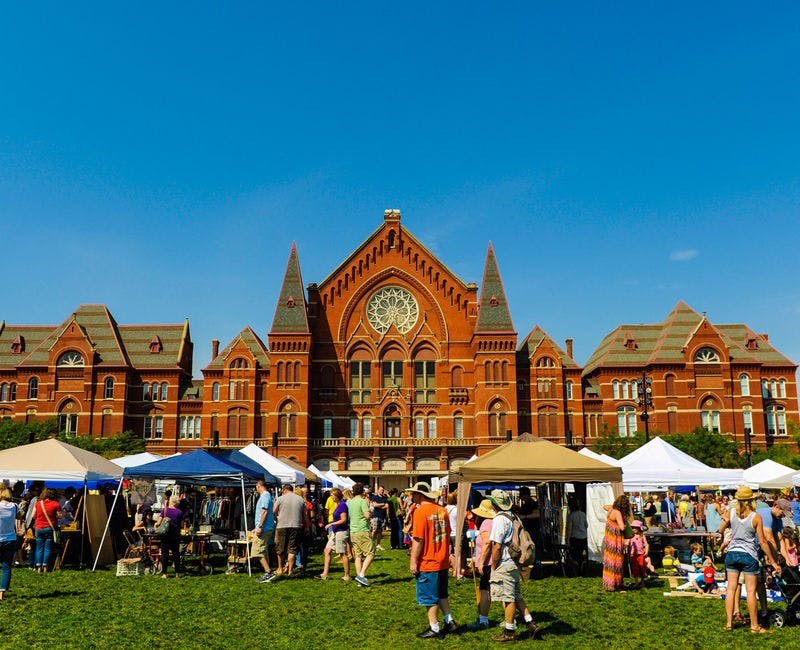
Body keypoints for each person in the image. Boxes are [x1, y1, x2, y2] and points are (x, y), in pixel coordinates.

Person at [718, 485, 781, 634]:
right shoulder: (755, 516)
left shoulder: (731, 512)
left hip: (732, 553)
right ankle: (754, 626)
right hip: (749, 555)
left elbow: (720, 530)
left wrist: (724, 525)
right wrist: (773, 561)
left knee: (731, 589)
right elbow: (763, 542)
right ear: (751, 500)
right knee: (751, 591)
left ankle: (729, 624)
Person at [488, 488, 541, 642]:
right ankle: (531, 623)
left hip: (505, 563)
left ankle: (509, 631)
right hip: (515, 562)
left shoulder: (499, 519)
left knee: (508, 598)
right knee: (517, 596)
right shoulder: (513, 516)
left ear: (494, 504)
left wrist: (494, 565)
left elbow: (497, 546)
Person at [408, 482, 457, 639]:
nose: (412, 496)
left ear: (420, 495)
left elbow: (418, 540)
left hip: (428, 561)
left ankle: (434, 627)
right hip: (442, 559)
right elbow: (448, 535)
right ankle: (450, 621)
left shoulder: (420, 511)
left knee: (429, 596)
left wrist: (413, 561)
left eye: (414, 494)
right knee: (441, 593)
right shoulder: (443, 511)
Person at [467, 499, 495, 631]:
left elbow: (487, 543)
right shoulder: (493, 522)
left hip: (488, 563)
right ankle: (511, 619)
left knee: (485, 590)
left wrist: (481, 562)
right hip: (492, 562)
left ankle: (483, 619)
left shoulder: (486, 523)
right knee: (498, 591)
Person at [274, 484, 307, 578]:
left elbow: (274, 510)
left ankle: (280, 568)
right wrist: (307, 526)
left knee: (280, 548)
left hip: (282, 525)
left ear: (284, 490)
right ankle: (290, 571)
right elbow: (304, 514)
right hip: (296, 526)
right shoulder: (300, 499)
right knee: (292, 549)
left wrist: (277, 518)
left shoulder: (280, 498)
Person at [318, 488, 350, 581]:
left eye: (332, 495)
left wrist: (331, 524)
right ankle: (325, 573)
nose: (331, 497)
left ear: (337, 496)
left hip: (341, 531)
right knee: (327, 550)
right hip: (335, 532)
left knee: (342, 554)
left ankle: (347, 575)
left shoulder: (342, 505)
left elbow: (343, 520)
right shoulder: (338, 505)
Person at [602, 494, 631, 592]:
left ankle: (608, 584)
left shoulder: (611, 510)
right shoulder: (618, 513)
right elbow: (622, 527)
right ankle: (616, 585)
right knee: (616, 563)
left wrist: (613, 505)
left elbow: (604, 506)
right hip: (615, 541)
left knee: (609, 562)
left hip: (609, 541)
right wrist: (626, 524)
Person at [347, 482, 374, 586]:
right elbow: (367, 516)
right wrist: (370, 511)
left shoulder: (351, 502)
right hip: (362, 530)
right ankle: (361, 575)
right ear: (362, 491)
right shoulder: (362, 501)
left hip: (353, 531)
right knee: (371, 553)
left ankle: (360, 578)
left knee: (358, 556)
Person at [252, 479, 277, 583]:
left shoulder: (265, 495)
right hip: (264, 527)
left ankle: (268, 572)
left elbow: (264, 511)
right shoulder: (266, 496)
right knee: (263, 550)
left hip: (264, 528)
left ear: (258, 486)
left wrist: (260, 526)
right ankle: (267, 572)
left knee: (257, 551)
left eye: (256, 487)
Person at [33, 488, 62, 573]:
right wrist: (63, 513)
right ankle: (45, 567)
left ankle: (38, 567)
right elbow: (59, 516)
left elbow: (33, 516)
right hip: (50, 528)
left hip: (39, 528)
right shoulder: (56, 504)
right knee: (48, 549)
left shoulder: (38, 504)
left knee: (39, 548)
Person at [1, 488, 21, 600]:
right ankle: (2, 593)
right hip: (10, 539)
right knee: (6, 567)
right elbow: (19, 516)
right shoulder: (14, 506)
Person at [155, 495, 183, 578]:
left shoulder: (165, 510)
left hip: (165, 535)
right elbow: (181, 524)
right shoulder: (179, 512)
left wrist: (156, 525)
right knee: (176, 554)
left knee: (165, 554)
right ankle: (177, 573)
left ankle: (164, 574)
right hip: (175, 535)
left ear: (171, 501)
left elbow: (159, 522)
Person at [566, 497, 588, 572]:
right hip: (583, 537)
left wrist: (567, 540)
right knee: (581, 552)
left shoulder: (571, 515)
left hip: (575, 537)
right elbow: (586, 525)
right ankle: (582, 564)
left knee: (575, 553)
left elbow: (569, 529)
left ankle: (576, 567)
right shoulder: (583, 514)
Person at [628, 520, 648, 589]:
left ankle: (642, 582)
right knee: (635, 568)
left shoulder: (642, 536)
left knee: (642, 567)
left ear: (639, 528)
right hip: (633, 555)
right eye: (632, 528)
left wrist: (646, 551)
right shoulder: (631, 536)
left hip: (641, 554)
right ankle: (636, 582)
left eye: (635, 528)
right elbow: (627, 543)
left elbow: (646, 544)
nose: (633, 529)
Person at [370, 485, 389, 552]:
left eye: (383, 490)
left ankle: (378, 544)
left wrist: (379, 505)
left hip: (382, 516)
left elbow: (387, 506)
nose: (382, 491)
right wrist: (382, 504)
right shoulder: (374, 497)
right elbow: (374, 505)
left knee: (380, 531)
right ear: (378, 490)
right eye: (381, 490)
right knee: (374, 530)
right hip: (376, 516)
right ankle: (371, 543)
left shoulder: (385, 498)